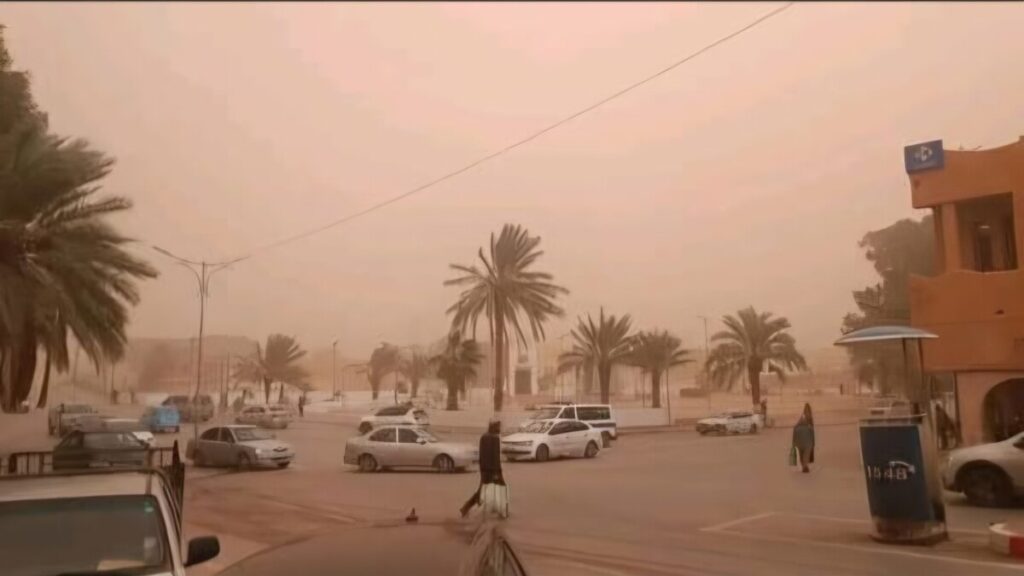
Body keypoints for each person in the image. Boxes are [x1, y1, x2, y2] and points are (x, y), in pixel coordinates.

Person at [460, 418, 504, 518]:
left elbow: (482, 455)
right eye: (498, 427)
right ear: (495, 427)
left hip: (484, 470)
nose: (500, 429)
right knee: (498, 489)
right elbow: (495, 457)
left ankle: (467, 507)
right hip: (493, 470)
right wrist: (499, 472)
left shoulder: (484, 437)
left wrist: (483, 469)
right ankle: (501, 512)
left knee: (484, 490)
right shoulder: (495, 438)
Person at [791, 403, 816, 473]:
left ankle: (804, 466)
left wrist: (794, 442)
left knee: (802, 453)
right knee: (806, 453)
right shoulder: (810, 418)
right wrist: (813, 442)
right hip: (807, 438)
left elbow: (795, 428)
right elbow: (812, 430)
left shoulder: (802, 417)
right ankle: (805, 466)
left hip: (799, 438)